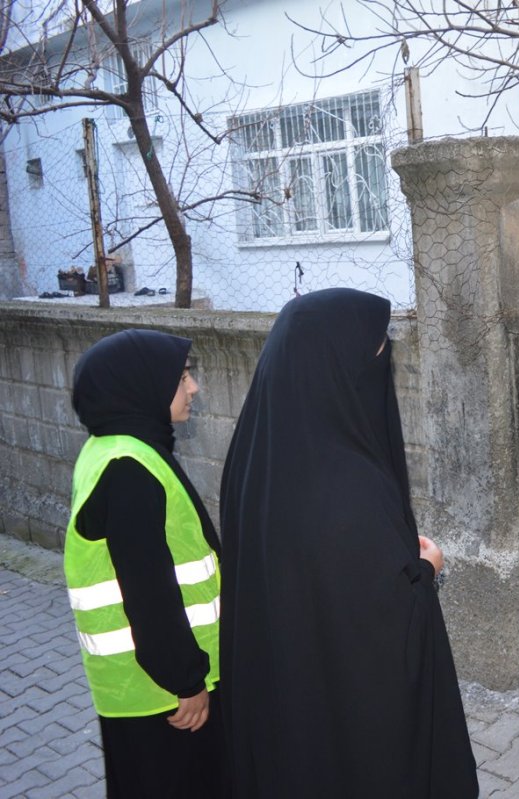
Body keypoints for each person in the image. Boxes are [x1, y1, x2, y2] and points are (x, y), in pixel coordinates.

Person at [219, 288, 478, 797]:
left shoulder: (253, 456)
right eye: (378, 348)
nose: (385, 359)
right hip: (350, 740)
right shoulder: (350, 482)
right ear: (339, 365)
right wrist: (426, 569)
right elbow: (382, 628)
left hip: (285, 711)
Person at [66, 329, 225, 798]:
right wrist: (187, 679)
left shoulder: (111, 449)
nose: (193, 387)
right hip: (164, 697)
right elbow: (149, 593)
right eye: (181, 377)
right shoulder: (130, 468)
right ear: (139, 386)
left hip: (144, 691)